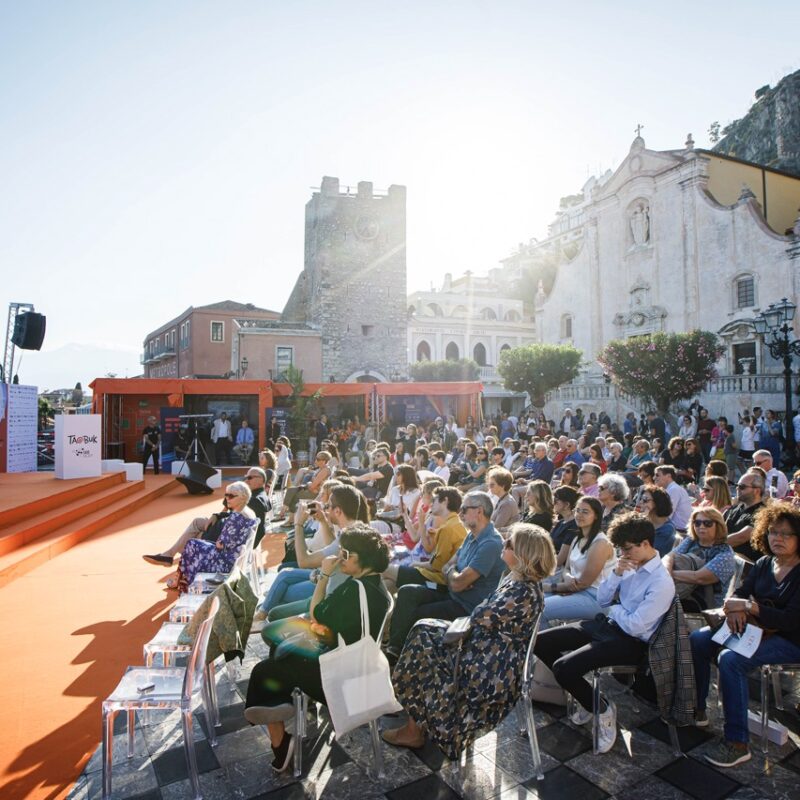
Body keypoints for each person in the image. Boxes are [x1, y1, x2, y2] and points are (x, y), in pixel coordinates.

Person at [384, 523, 554, 756]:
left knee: (422, 642)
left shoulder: (523, 591)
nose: (504, 544)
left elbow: (480, 614)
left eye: (510, 544)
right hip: (487, 649)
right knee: (423, 631)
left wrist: (479, 607)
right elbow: (482, 613)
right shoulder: (516, 580)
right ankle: (414, 721)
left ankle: (412, 726)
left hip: (492, 668)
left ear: (524, 555)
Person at [244, 524, 391, 771]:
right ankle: (282, 708)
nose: (340, 557)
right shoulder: (376, 585)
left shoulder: (354, 590)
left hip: (341, 683)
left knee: (264, 670)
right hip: (360, 672)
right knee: (280, 653)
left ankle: (281, 743)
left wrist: (324, 575)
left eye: (346, 554)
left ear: (362, 559)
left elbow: (316, 614)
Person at [535, 512, 675, 753]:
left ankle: (601, 709)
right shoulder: (628, 565)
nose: (623, 554)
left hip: (633, 642)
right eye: (621, 549)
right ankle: (587, 697)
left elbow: (635, 625)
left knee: (564, 667)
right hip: (608, 625)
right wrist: (616, 575)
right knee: (541, 642)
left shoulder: (661, 581)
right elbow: (602, 599)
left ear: (645, 544)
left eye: (627, 549)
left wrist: (615, 608)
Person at [690, 503, 800, 768]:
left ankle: (737, 742)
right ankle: (697, 709)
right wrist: (737, 608)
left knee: (731, 660)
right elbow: (740, 592)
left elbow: (790, 620)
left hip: (791, 640)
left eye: (786, 534)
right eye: (773, 532)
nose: (778, 538)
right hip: (757, 630)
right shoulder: (764, 563)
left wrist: (749, 607)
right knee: (698, 640)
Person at [385, 491, 505, 658]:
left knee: (418, 613)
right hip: (451, 594)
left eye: (464, 509)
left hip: (466, 607)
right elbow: (446, 567)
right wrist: (454, 573)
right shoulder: (472, 535)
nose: (460, 514)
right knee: (407, 591)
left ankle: (405, 656)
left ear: (479, 511)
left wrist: (454, 575)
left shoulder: (490, 544)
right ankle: (395, 649)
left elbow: (456, 582)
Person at [257, 484, 368, 620]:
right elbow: (332, 547)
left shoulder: (347, 538)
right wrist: (323, 521)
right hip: (333, 586)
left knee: (276, 605)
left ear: (338, 511)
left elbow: (304, 562)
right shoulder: (356, 530)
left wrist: (298, 524)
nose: (325, 509)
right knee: (281, 582)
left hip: (330, 598)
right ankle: (262, 613)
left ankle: (261, 616)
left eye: (327, 506)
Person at [540, 496, 615, 627]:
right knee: (532, 601)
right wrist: (568, 577)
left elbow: (583, 583)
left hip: (594, 598)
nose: (579, 515)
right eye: (577, 510)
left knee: (540, 609)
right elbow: (567, 568)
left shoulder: (600, 543)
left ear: (596, 516)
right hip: (575, 591)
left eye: (585, 512)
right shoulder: (577, 539)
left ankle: (549, 639)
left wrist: (550, 587)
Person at [168, 481, 257, 592]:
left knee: (191, 544)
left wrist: (213, 542)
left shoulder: (236, 517)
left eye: (231, 496)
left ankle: (184, 583)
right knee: (195, 544)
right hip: (235, 558)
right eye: (226, 495)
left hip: (225, 563)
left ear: (243, 497)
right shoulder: (249, 512)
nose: (227, 499)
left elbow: (220, 545)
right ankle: (183, 582)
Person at [383, 486, 467, 593]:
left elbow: (437, 566)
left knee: (383, 569)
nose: (432, 504)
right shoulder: (453, 523)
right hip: (432, 575)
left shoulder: (448, 528)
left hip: (435, 580)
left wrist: (416, 564)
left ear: (445, 501)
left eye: (435, 500)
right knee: (388, 584)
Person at [664, 506, 736, 609]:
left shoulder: (725, 554)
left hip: (703, 604)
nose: (701, 526)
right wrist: (666, 569)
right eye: (697, 523)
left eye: (707, 523)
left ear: (718, 526)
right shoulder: (691, 541)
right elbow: (670, 556)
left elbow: (698, 578)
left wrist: (666, 574)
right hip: (680, 593)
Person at [724, 470, 766, 563]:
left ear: (757, 491)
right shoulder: (735, 508)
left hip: (747, 564)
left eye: (742, 487)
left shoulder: (762, 513)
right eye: (737, 485)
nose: (737, 489)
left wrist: (711, 544)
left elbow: (741, 537)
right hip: (726, 558)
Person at [637, 486, 676, 556]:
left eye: (645, 500)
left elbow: (649, 554)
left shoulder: (667, 530)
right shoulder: (647, 522)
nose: (640, 502)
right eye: (641, 499)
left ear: (657, 503)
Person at [654, 465, 692, 534]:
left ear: (668, 476)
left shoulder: (674, 489)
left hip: (679, 531)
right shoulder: (671, 488)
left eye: (657, 475)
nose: (654, 478)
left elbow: (666, 515)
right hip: (674, 528)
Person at [486, 466, 520, 533]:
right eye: (489, 484)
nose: (489, 487)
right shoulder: (503, 498)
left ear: (502, 486)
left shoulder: (507, 504)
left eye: (492, 485)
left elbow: (495, 528)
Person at [550, 485, 580, 552]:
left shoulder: (574, 526)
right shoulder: (561, 522)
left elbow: (563, 556)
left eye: (555, 500)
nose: (553, 503)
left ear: (567, 505)